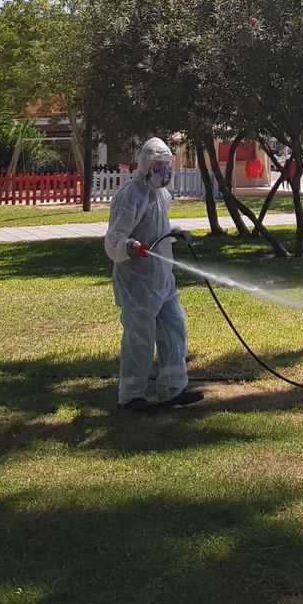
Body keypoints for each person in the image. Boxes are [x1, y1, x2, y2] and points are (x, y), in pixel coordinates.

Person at [103, 137, 203, 411]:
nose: (164, 170)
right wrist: (128, 247)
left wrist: (174, 233)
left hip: (162, 278)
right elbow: (114, 240)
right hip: (137, 282)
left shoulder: (162, 195)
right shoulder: (130, 196)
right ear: (146, 164)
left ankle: (173, 389)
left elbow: (155, 230)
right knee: (140, 337)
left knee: (174, 329)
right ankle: (132, 395)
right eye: (159, 164)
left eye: (167, 164)